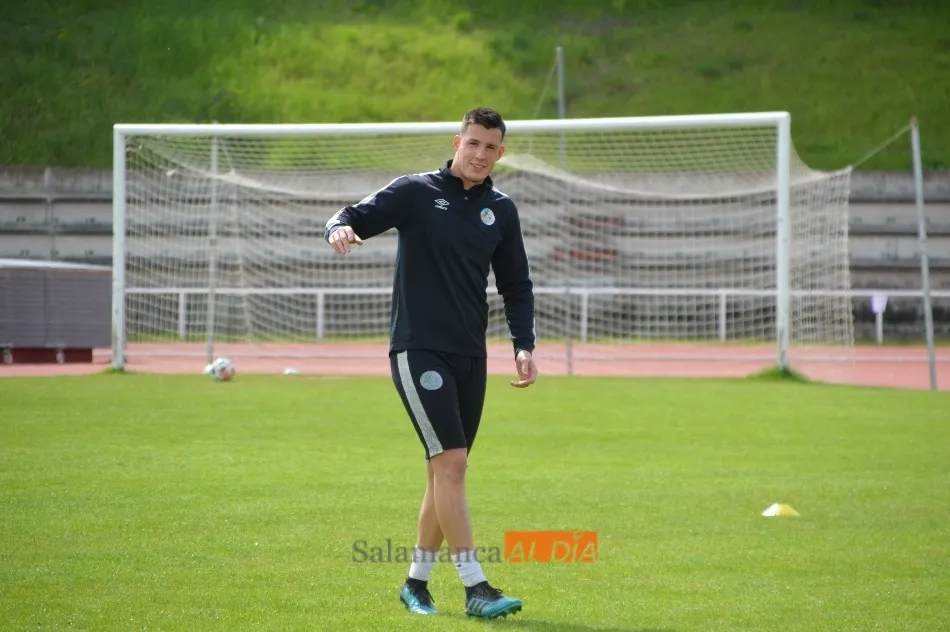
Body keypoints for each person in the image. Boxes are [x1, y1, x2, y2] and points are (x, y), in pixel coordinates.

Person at [324, 107, 537, 619]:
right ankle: (476, 588)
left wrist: (523, 344)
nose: (480, 154)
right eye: (473, 144)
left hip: (471, 353)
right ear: (456, 142)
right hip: (418, 348)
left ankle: (415, 584)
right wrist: (339, 231)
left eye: (490, 147)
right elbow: (349, 216)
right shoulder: (415, 192)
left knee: (443, 472)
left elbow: (516, 284)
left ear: (500, 153)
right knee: (454, 465)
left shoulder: (501, 211)